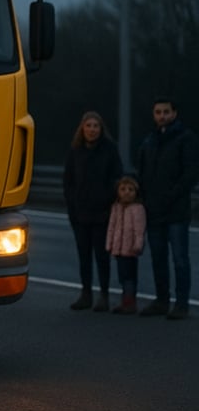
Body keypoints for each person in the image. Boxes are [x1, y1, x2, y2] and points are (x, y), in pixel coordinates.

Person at [133, 97, 199, 320]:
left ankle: (181, 304)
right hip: (153, 210)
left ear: (174, 113)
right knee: (158, 258)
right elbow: (142, 171)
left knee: (180, 259)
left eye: (166, 112)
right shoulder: (150, 140)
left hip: (176, 210)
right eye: (158, 112)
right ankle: (161, 300)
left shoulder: (186, 139)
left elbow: (191, 173)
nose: (162, 116)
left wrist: (172, 195)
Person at [63, 111, 123, 311]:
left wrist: (108, 199)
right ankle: (86, 293)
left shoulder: (109, 149)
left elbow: (117, 176)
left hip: (102, 213)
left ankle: (104, 295)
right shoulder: (75, 150)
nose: (92, 130)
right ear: (82, 128)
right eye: (88, 126)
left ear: (101, 128)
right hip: (80, 213)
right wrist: (72, 205)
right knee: (84, 256)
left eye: (95, 126)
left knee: (101, 256)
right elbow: (68, 180)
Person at [106, 175, 147, 314]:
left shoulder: (138, 208)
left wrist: (138, 245)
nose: (127, 192)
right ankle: (126, 300)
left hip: (130, 249)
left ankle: (130, 303)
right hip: (118, 249)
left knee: (129, 277)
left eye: (130, 189)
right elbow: (111, 227)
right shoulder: (116, 207)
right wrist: (109, 244)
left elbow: (139, 230)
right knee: (123, 276)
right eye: (123, 189)